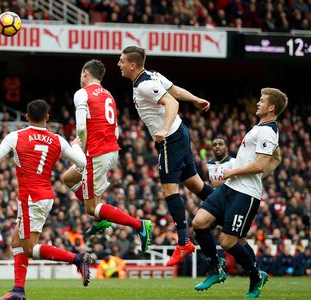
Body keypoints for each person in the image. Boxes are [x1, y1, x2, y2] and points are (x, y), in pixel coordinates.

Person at [0, 99, 94, 300]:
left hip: (30, 199)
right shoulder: (57, 140)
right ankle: (18, 290)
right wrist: (75, 145)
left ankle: (77, 259)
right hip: (45, 196)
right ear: (47, 117)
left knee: (28, 248)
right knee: (16, 242)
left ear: (26, 117)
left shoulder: (16, 136)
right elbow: (81, 162)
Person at [118, 46, 214, 266]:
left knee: (169, 189)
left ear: (133, 64)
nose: (119, 64)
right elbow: (175, 90)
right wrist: (196, 99)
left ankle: (183, 242)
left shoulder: (145, 84)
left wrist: (163, 129)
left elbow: (172, 101)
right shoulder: (152, 75)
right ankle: (226, 207)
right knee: (195, 185)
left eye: (121, 61)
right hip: (179, 133)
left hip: (171, 137)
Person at [192, 88, 286, 298]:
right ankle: (216, 269)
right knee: (199, 223)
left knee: (228, 242)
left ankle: (255, 276)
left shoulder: (267, 131)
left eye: (262, 101)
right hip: (230, 188)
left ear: (271, 107)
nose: (258, 103)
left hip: (245, 194)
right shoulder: (261, 129)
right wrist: (270, 165)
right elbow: (275, 158)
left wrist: (232, 171)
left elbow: (261, 164)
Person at [61, 59, 153, 254]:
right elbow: (115, 129)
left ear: (86, 73)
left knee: (90, 208)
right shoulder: (108, 95)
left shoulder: (82, 94)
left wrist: (79, 145)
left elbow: (80, 127)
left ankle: (139, 225)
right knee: (68, 177)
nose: (80, 78)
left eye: (81, 74)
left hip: (96, 154)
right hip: (109, 150)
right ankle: (100, 219)